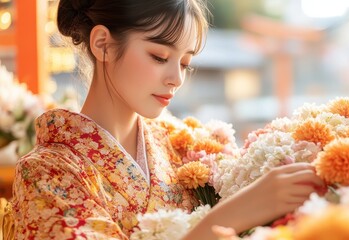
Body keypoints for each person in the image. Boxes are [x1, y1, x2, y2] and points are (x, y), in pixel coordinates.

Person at [12, 0, 324, 239]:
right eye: (159, 57)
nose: (176, 78)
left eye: (185, 63)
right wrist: (230, 217)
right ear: (102, 44)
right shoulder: (45, 173)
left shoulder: (183, 145)